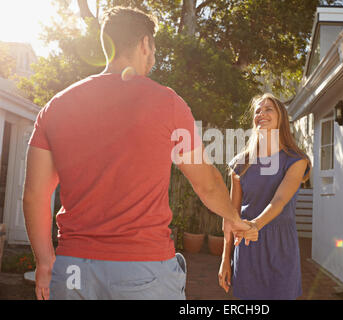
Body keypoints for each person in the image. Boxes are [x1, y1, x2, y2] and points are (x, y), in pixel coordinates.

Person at [23, 6, 252, 300]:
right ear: (145, 44)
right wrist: (233, 217)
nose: (154, 58)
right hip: (142, 270)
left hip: (72, 270)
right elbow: (205, 183)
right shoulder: (168, 103)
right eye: (154, 49)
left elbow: (34, 195)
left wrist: (44, 262)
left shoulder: (55, 107)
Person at [218, 93, 312, 300]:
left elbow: (279, 202)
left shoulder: (296, 160)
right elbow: (231, 215)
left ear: (281, 118)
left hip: (280, 246)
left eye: (268, 109)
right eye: (258, 110)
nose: (262, 113)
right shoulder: (240, 165)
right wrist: (226, 258)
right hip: (247, 247)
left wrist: (254, 226)